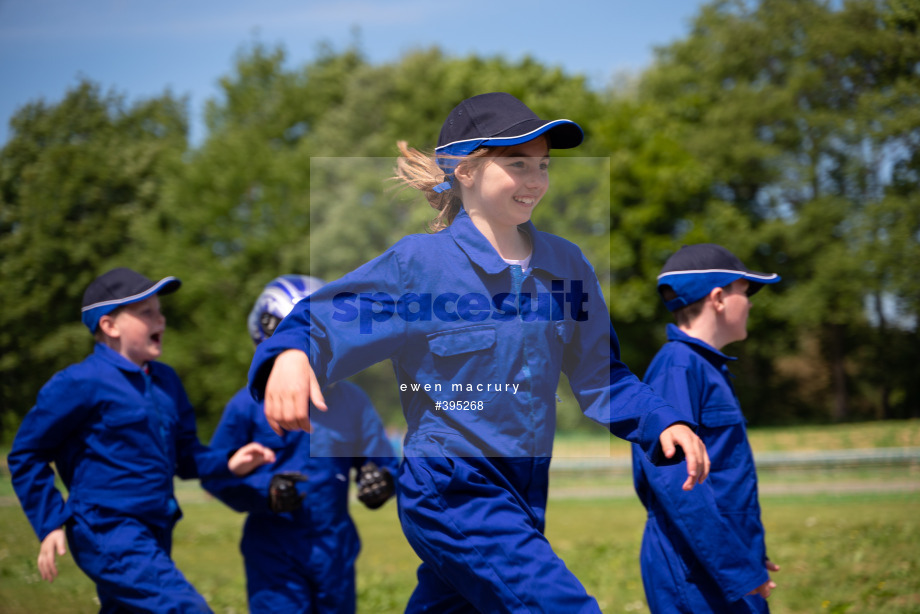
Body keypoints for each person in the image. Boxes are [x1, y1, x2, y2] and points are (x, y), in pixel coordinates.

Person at [248, 92, 711, 612]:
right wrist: (291, 355)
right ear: (464, 170)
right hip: (451, 488)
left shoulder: (567, 265)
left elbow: (601, 376)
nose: (536, 180)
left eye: (543, 165)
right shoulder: (419, 266)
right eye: (517, 164)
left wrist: (662, 421)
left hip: (523, 493)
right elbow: (323, 320)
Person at [7, 267, 276, 613]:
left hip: (156, 525)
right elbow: (26, 454)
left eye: (160, 310)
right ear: (109, 326)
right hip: (106, 528)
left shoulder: (166, 381)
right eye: (146, 312)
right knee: (185, 607)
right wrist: (50, 521)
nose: (160, 319)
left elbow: (186, 456)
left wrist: (229, 462)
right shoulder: (79, 382)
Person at [201, 275, 399, 613]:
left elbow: (382, 462)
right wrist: (267, 490)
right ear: (269, 335)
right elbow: (216, 473)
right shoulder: (247, 404)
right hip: (274, 551)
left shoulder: (351, 399)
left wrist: (381, 481)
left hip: (334, 549)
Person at [631, 243, 782, 613]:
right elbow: (678, 487)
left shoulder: (704, 366)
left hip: (722, 566)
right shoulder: (677, 368)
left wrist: (748, 553)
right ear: (718, 298)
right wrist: (736, 568)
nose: (748, 304)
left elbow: (724, 478)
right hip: (696, 572)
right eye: (744, 293)